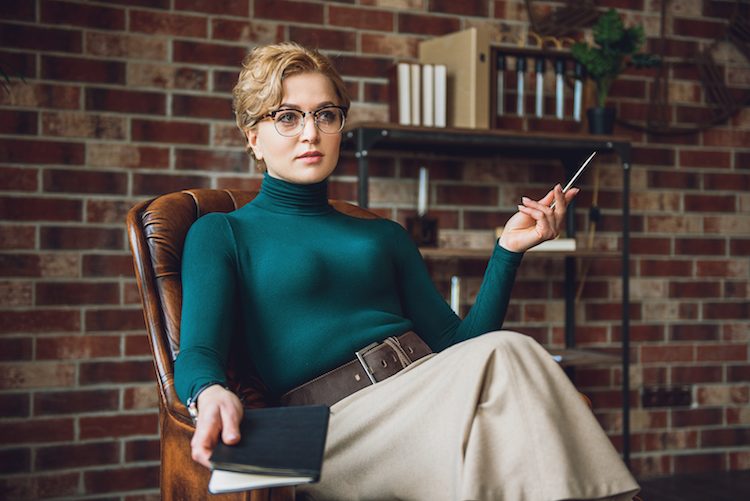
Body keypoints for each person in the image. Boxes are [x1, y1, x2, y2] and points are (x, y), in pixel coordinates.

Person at [174, 42, 639, 501]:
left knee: (501, 433)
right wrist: (209, 393)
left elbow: (460, 347)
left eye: (325, 114)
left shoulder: (385, 236)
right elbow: (197, 351)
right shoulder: (221, 234)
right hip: (335, 430)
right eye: (287, 116)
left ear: (340, 126)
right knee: (512, 353)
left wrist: (508, 251)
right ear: (253, 136)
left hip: (426, 391)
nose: (310, 133)